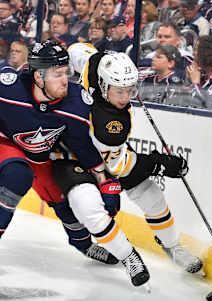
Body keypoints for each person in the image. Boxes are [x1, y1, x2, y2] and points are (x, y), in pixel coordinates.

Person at [0, 40, 146, 291]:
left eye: (65, 72)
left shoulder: (77, 101)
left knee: (63, 203)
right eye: (57, 74)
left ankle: (83, 244)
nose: (65, 80)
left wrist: (104, 178)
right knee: (17, 178)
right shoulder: (9, 87)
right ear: (38, 76)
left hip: (41, 156)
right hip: (2, 143)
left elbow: (80, 144)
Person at [62, 42, 203, 275]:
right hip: (88, 160)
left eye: (130, 89)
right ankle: (97, 247)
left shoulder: (96, 66)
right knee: (94, 209)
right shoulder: (109, 123)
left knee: (153, 197)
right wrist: (158, 163)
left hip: (101, 150)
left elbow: (78, 51)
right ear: (105, 86)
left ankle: (173, 247)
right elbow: (119, 166)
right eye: (120, 91)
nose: (126, 97)